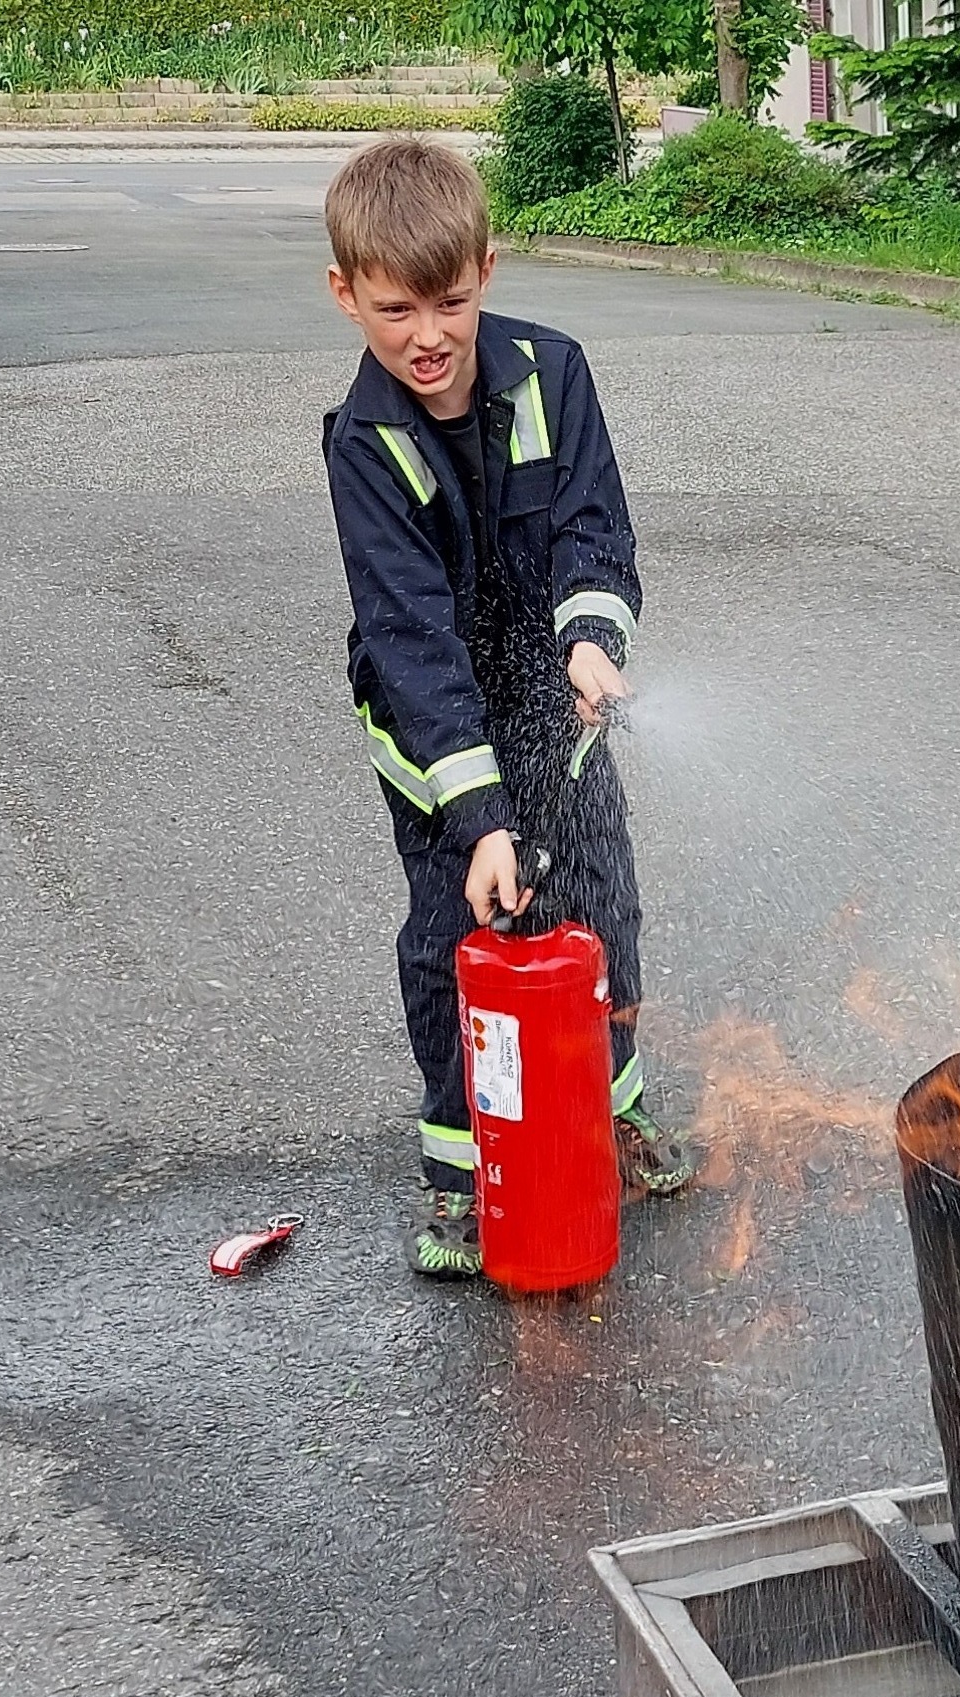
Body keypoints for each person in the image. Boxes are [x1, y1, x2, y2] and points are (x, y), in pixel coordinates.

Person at [320, 136, 694, 1280]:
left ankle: (609, 1108)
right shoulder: (365, 443)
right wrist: (479, 816)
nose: (426, 335)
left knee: (598, 906)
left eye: (449, 301)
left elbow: (593, 527)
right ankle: (459, 1171)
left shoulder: (552, 372)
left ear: (486, 270)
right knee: (457, 940)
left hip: (554, 703)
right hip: (433, 734)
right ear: (345, 295)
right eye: (395, 309)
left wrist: (590, 642)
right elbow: (410, 636)